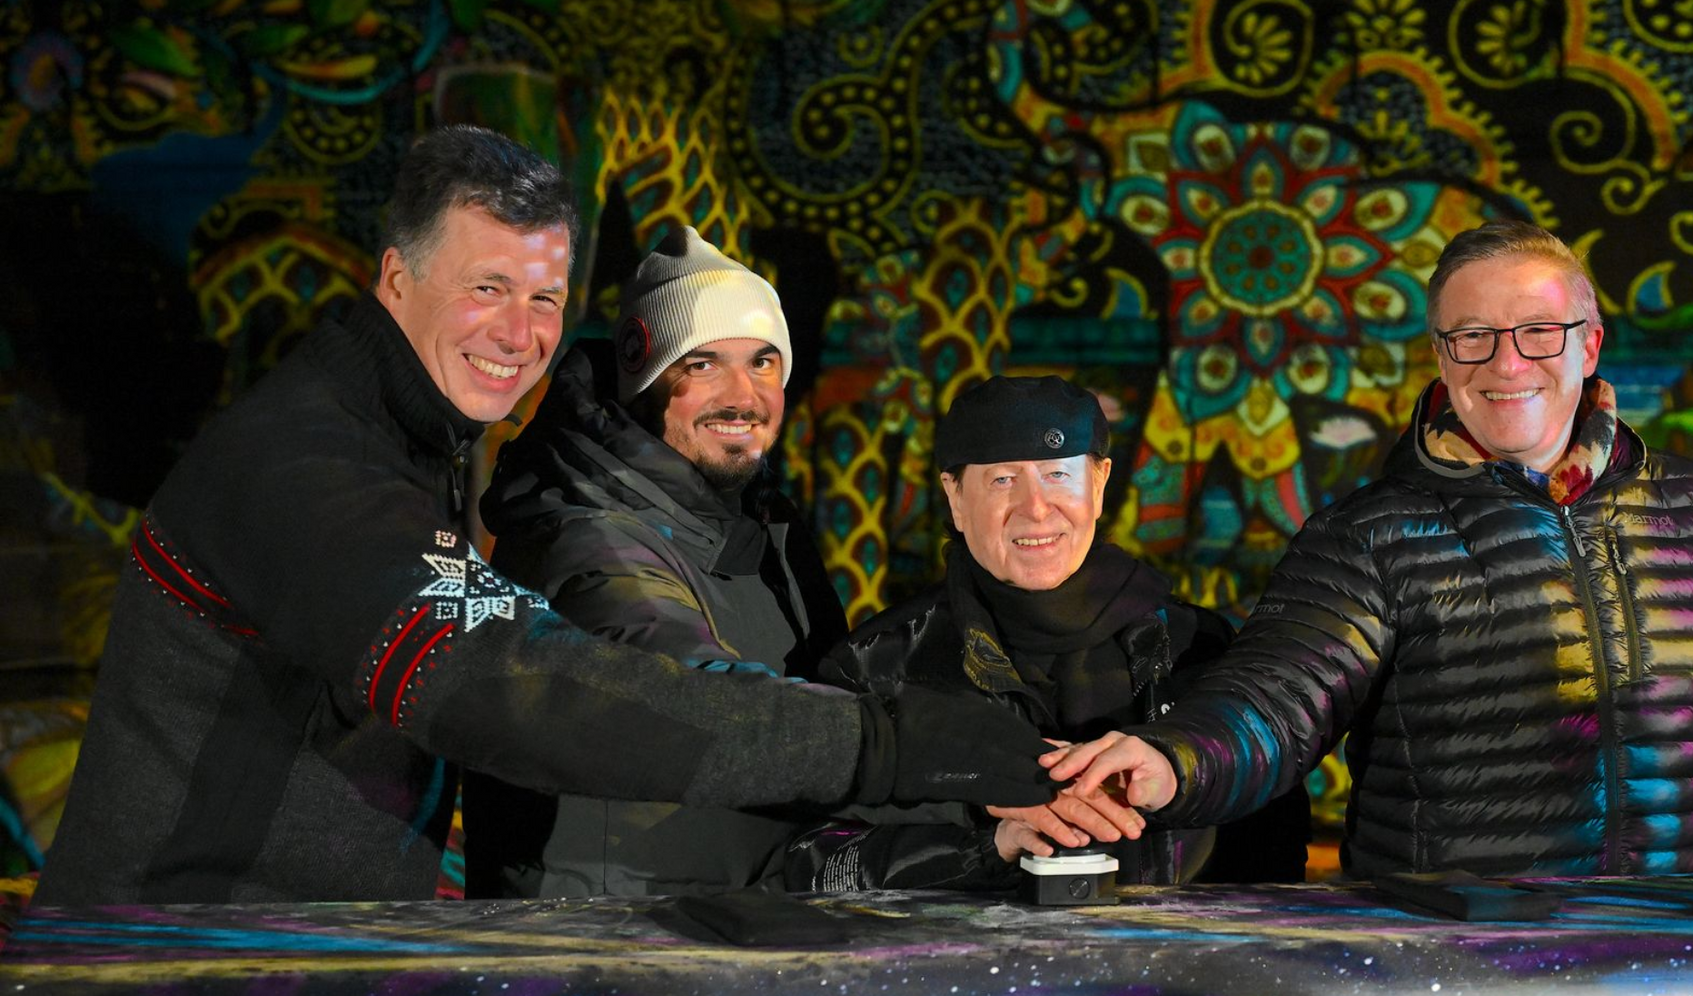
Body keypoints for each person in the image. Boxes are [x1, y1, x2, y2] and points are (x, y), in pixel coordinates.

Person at [32, 126, 1055, 907]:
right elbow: (513, 685)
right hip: (179, 945)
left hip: (288, 940)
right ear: (397, 279)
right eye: (487, 287)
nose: (518, 333)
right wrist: (888, 745)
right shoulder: (306, 467)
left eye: (546, 298)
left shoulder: (409, 439)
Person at [1044, 220, 1693, 878]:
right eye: (1474, 336)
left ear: (1589, 345)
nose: (1507, 364)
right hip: (1461, 953)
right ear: (1444, 357)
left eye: (1538, 331)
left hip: (1676, 943)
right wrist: (1173, 763)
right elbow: (1278, 702)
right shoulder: (1373, 535)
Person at [785, 375, 1311, 892]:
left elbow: (1274, 855)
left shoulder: (1198, 650)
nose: (1035, 507)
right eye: (1002, 480)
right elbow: (811, 863)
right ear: (955, 497)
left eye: (1058, 474)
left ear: (1099, 484)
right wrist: (986, 849)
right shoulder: (877, 666)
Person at [461, 226, 851, 897]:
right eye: (702, 365)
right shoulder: (585, 532)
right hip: (602, 931)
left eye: (763, 363)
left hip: (724, 914)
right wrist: (912, 748)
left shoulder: (763, 523)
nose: (743, 395)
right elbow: (693, 693)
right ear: (643, 376)